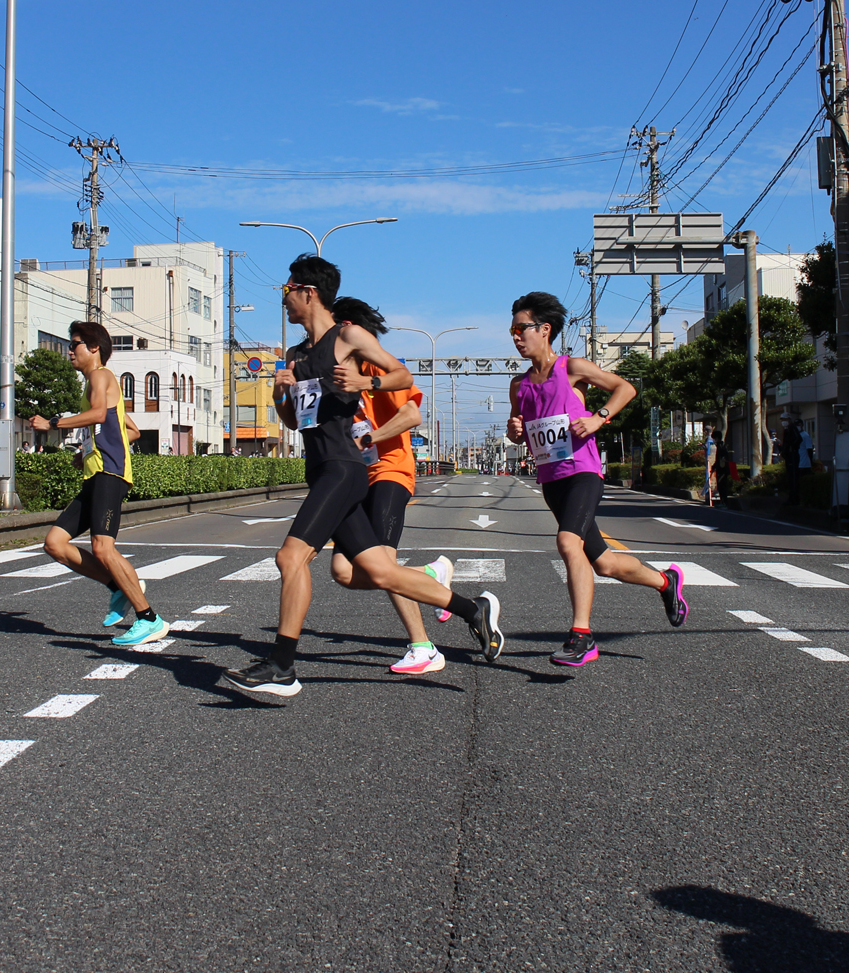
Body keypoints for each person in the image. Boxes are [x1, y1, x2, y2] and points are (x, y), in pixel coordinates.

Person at [222, 254, 502, 702]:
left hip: (344, 469)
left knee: (290, 558)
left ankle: (282, 666)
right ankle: (473, 610)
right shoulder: (295, 355)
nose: (284, 299)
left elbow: (402, 375)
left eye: (287, 290)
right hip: (320, 468)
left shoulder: (348, 337)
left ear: (308, 292)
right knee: (377, 570)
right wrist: (280, 394)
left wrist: (364, 385)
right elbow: (296, 423)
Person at [506, 291, 686, 668]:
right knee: (604, 563)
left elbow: (625, 388)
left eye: (521, 329)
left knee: (568, 542)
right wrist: (515, 430)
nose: (516, 337)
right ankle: (666, 582)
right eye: (513, 331)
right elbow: (519, 432)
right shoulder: (519, 385)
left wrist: (598, 417)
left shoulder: (572, 367)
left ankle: (582, 636)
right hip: (552, 479)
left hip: (583, 473)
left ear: (545, 329)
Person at [324, 297, 445, 675]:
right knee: (343, 570)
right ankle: (428, 575)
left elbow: (412, 415)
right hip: (357, 477)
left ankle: (423, 647)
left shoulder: (380, 367)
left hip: (391, 470)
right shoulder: (332, 372)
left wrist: (370, 438)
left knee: (384, 563)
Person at [33, 321, 166, 646]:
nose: (69, 351)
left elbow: (97, 415)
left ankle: (149, 618)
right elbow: (131, 430)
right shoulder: (96, 382)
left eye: (74, 344)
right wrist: (89, 450)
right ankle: (117, 586)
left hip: (109, 473)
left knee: (103, 548)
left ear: (94, 347)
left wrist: (53, 423)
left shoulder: (100, 376)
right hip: (95, 473)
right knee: (55, 543)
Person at [778, 418, 804, 506]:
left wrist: (791, 448)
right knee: (790, 477)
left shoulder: (792, 429)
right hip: (789, 456)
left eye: (784, 419)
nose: (783, 422)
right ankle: (792, 497)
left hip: (792, 456)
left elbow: (798, 440)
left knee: (793, 477)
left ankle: (794, 498)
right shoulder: (787, 430)